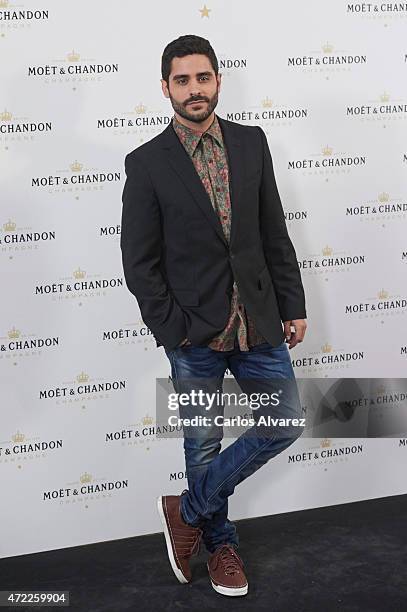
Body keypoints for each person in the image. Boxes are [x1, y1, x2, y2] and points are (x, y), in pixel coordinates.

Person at [120, 34, 308, 597]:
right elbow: (138, 261)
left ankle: (189, 509)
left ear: (219, 81)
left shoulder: (252, 143)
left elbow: (273, 229)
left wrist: (292, 304)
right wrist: (172, 331)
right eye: (182, 80)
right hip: (193, 334)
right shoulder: (147, 162)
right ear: (165, 88)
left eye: (203, 77)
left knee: (286, 422)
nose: (194, 89)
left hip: (259, 320)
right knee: (201, 446)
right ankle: (221, 543)